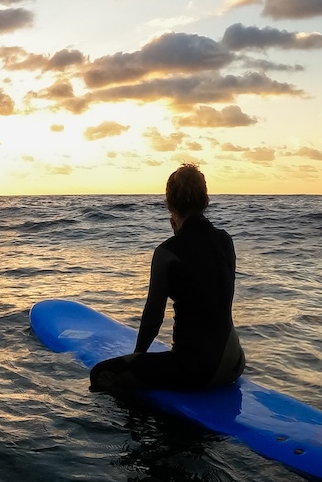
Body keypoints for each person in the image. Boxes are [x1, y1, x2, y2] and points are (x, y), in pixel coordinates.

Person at [90, 163, 245, 392]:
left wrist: (137, 360)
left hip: (197, 371)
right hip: (235, 363)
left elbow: (153, 318)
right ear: (205, 200)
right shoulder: (225, 240)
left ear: (169, 204)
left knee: (100, 374)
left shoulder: (167, 252)